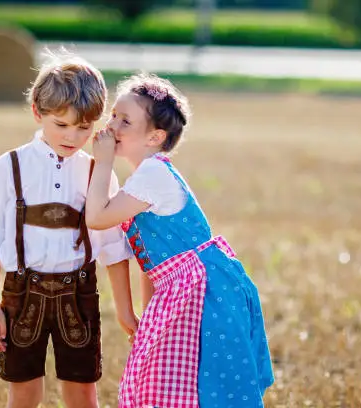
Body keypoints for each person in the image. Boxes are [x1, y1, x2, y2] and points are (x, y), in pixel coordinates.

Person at [85, 73, 274, 407]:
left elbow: (97, 217)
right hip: (185, 287)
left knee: (207, 383)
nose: (112, 125)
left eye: (125, 120)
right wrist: (147, 311)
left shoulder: (153, 175)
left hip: (205, 292)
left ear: (155, 137)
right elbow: (153, 264)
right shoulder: (146, 175)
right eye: (113, 115)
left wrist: (103, 163)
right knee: (166, 378)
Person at [0, 50, 138, 408]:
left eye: (84, 128)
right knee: (24, 392)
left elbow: (113, 247)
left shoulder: (98, 170)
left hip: (78, 294)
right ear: (37, 111)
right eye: (61, 125)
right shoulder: (8, 167)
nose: (73, 136)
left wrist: (125, 310)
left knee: (82, 393)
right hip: (21, 294)